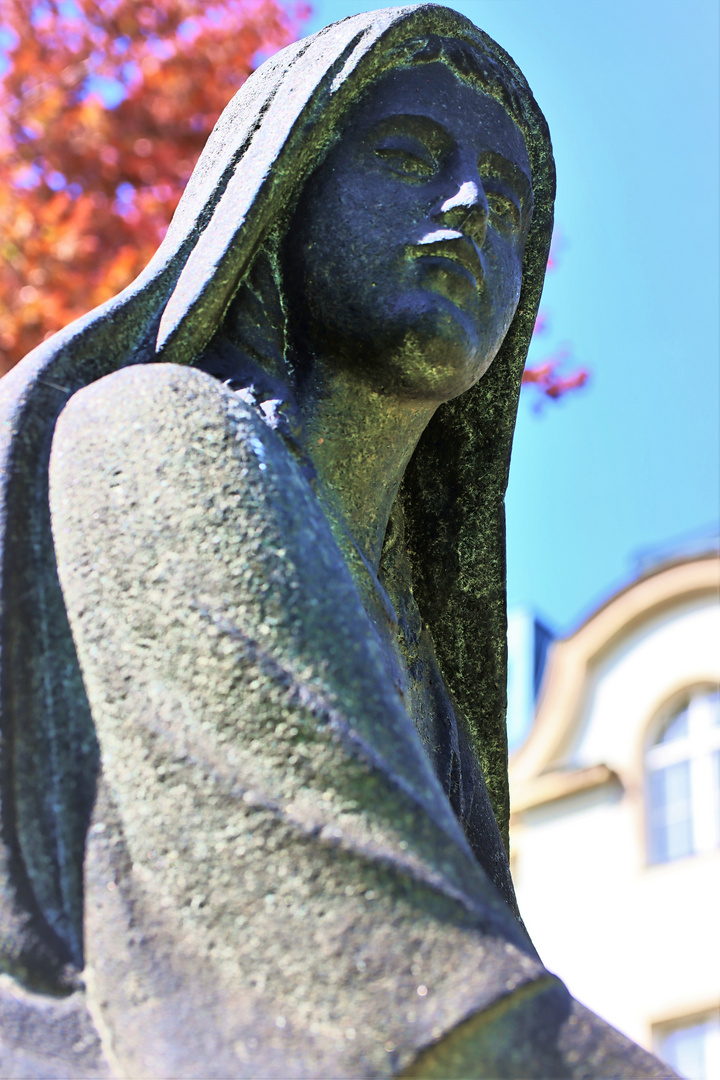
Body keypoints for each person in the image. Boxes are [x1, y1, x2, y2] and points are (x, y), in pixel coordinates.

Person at [0, 6, 673, 1077]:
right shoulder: (158, 436)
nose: (468, 210)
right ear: (284, 197)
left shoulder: (428, 672)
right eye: (409, 159)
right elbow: (373, 960)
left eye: (507, 204)